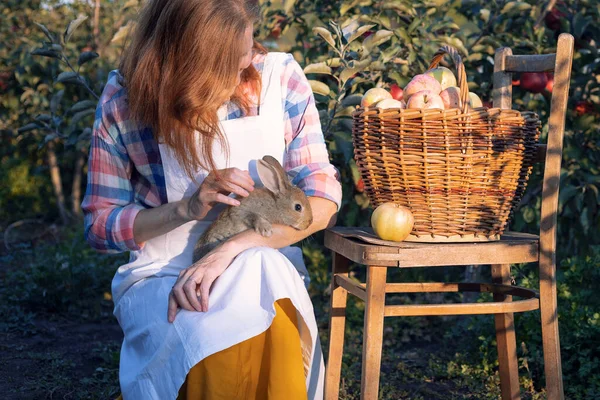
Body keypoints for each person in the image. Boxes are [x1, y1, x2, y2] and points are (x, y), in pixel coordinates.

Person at [81, 0, 342, 399]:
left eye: (249, 51)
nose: (249, 65)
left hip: (266, 259)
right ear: (187, 61)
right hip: (166, 270)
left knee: (258, 282)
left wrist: (232, 249)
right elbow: (101, 225)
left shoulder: (279, 78)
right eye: (233, 62)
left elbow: (322, 197)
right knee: (207, 325)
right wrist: (185, 209)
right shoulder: (126, 99)